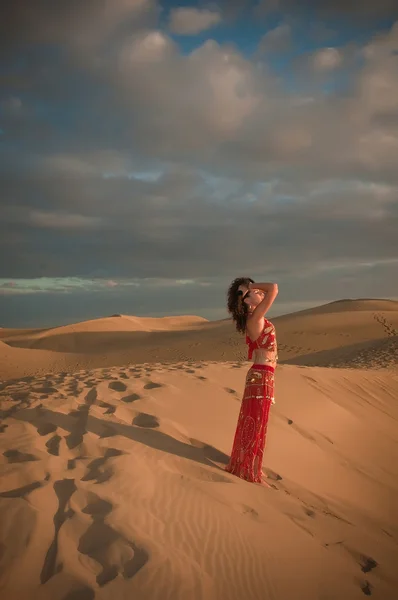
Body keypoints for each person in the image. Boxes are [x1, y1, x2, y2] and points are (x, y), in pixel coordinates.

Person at [225, 277, 279, 485]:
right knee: (255, 422)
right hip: (261, 375)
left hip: (264, 375)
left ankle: (250, 464)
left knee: (259, 421)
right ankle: (248, 470)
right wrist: (248, 288)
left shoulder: (256, 317)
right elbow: (273, 288)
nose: (259, 292)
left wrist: (248, 289)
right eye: (253, 292)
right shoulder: (255, 318)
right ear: (246, 300)